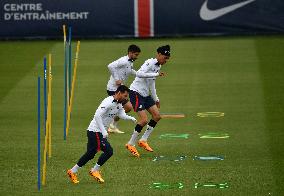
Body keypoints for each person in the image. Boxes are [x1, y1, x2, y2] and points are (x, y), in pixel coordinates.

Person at [67, 85, 136, 184]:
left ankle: (72, 171)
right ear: (119, 93)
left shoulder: (119, 103)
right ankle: (94, 170)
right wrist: (104, 131)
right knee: (109, 151)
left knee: (90, 154)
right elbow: (97, 116)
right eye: (125, 96)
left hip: (96, 131)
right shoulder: (108, 102)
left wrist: (130, 118)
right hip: (95, 131)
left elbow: (121, 114)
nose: (126, 98)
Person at [125, 45, 171, 157]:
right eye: (164, 57)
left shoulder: (158, 67)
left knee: (157, 116)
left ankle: (143, 140)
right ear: (159, 55)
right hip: (136, 93)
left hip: (145, 95)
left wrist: (156, 99)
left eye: (167, 59)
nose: (165, 60)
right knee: (144, 120)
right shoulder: (150, 62)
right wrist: (155, 74)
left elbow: (151, 83)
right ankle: (131, 144)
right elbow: (139, 74)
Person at [106, 44, 141, 134]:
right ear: (130, 53)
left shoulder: (130, 62)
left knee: (123, 108)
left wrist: (140, 74)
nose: (137, 57)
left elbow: (130, 70)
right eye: (136, 55)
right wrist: (117, 79)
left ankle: (111, 125)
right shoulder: (123, 60)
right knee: (128, 107)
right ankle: (109, 124)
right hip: (113, 89)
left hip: (119, 89)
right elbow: (110, 66)